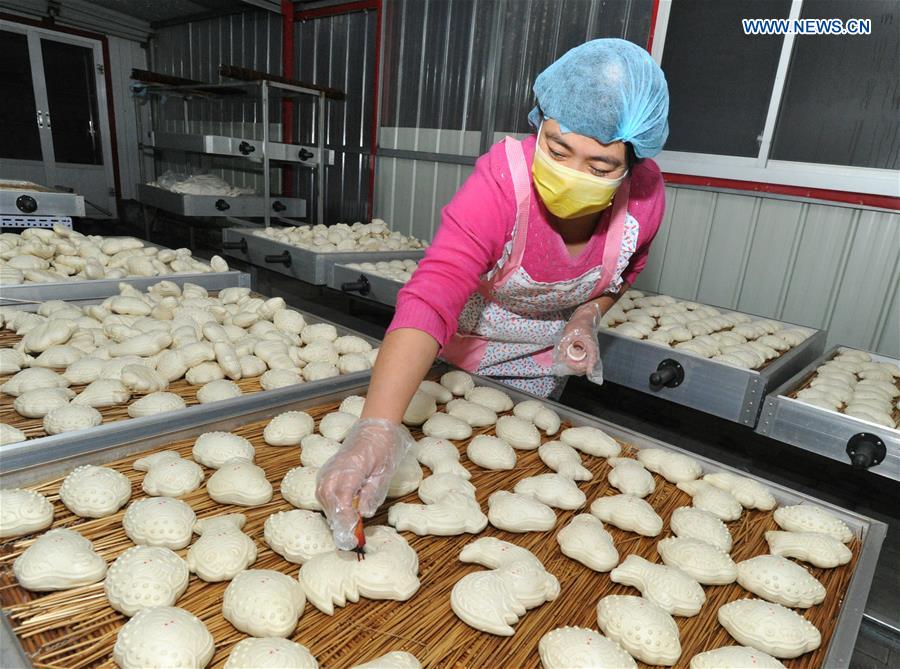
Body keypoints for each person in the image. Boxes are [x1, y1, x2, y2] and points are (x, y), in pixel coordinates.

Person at [317, 38, 670, 549]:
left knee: (514, 483)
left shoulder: (645, 197)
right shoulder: (503, 182)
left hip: (544, 367)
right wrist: (376, 428)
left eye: (600, 168)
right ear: (540, 122)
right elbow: (435, 289)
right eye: (557, 148)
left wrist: (587, 315)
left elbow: (625, 270)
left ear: (632, 165)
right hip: (457, 362)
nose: (572, 175)